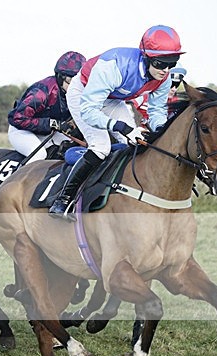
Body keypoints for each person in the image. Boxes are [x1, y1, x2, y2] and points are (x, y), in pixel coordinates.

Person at [49, 25, 183, 221]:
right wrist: (121, 126)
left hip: (112, 99)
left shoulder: (164, 77)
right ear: (146, 57)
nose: (166, 70)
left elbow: (156, 111)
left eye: (173, 63)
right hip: (83, 96)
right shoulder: (114, 66)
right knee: (101, 146)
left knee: (137, 143)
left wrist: (162, 133)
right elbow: (89, 110)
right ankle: (62, 200)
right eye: (161, 64)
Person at [7, 51, 86, 162]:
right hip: (22, 130)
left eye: (79, 82)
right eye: (70, 81)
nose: (75, 86)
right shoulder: (41, 93)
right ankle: (16, 178)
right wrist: (52, 123)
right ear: (60, 77)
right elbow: (16, 118)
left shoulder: (77, 94)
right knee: (39, 155)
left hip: (48, 132)